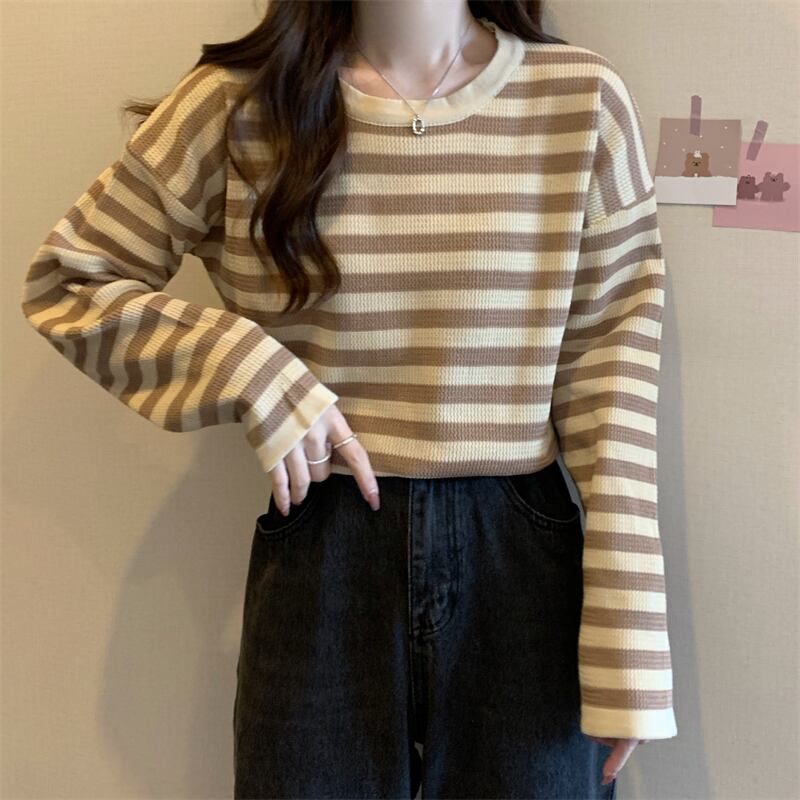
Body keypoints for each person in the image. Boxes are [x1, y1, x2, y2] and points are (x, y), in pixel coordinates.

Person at [20, 1, 678, 797]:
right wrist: (249, 366)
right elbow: (70, 281)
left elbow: (611, 372)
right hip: (323, 542)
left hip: (521, 561)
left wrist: (629, 637)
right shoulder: (239, 103)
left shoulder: (580, 100)